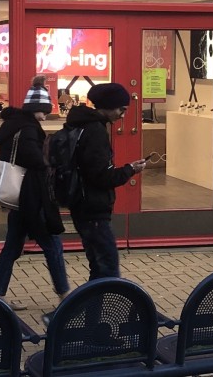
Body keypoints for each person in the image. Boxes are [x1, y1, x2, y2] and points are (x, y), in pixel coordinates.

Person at [0, 77, 71, 309]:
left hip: (21, 199)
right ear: (38, 109)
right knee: (52, 243)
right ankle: (65, 295)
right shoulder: (29, 130)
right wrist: (50, 162)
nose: (46, 114)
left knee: (12, 247)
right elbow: (34, 159)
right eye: (44, 109)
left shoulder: (13, 125)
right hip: (32, 197)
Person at [64, 82, 147, 280]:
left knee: (99, 268)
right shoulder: (95, 132)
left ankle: (92, 310)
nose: (123, 115)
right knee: (108, 268)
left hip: (81, 205)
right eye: (121, 109)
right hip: (93, 208)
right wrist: (130, 170)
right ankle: (101, 309)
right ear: (109, 106)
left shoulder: (79, 125)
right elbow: (101, 177)